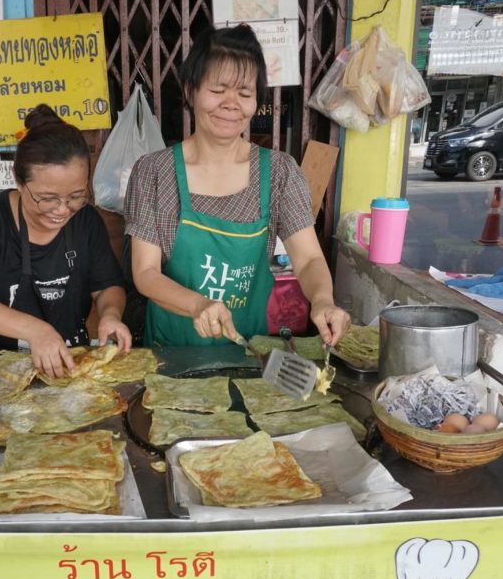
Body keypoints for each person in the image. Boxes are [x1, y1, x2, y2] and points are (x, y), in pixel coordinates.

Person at [124, 25, 350, 348]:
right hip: (170, 355)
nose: (232, 104)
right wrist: (198, 305)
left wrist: (323, 300)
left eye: (245, 94)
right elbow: (145, 273)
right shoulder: (154, 173)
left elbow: (310, 259)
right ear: (190, 91)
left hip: (247, 352)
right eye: (218, 90)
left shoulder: (279, 173)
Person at [0, 104, 131, 378]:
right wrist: (34, 330)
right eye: (48, 198)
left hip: (68, 367)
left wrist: (110, 314)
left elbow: (106, 285)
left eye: (76, 195)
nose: (63, 209)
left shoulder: (86, 221)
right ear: (18, 180)